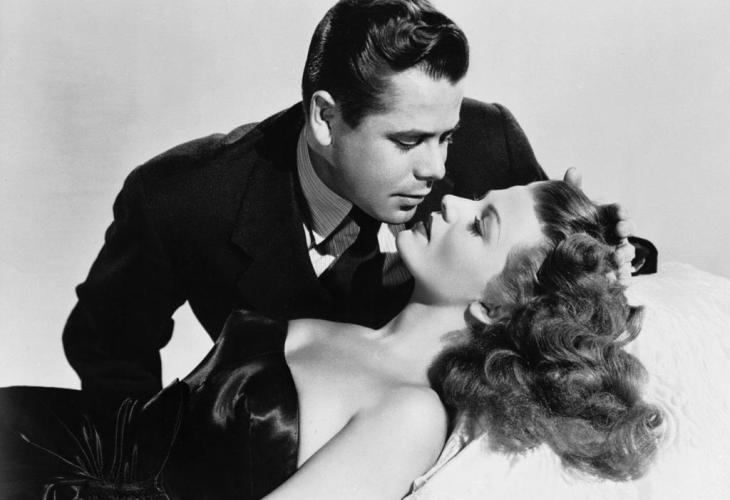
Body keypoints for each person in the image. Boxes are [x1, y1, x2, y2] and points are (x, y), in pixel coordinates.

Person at [60, 0, 651, 403]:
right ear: (325, 118)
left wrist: (621, 253)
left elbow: (548, 270)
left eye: (446, 136)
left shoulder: (490, 142)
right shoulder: (183, 198)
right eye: (407, 142)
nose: (438, 169)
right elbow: (108, 348)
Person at [0, 181, 663, 500]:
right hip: (45, 429)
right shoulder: (358, 302)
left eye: (479, 224)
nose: (452, 201)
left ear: (497, 309)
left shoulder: (409, 415)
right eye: (476, 198)